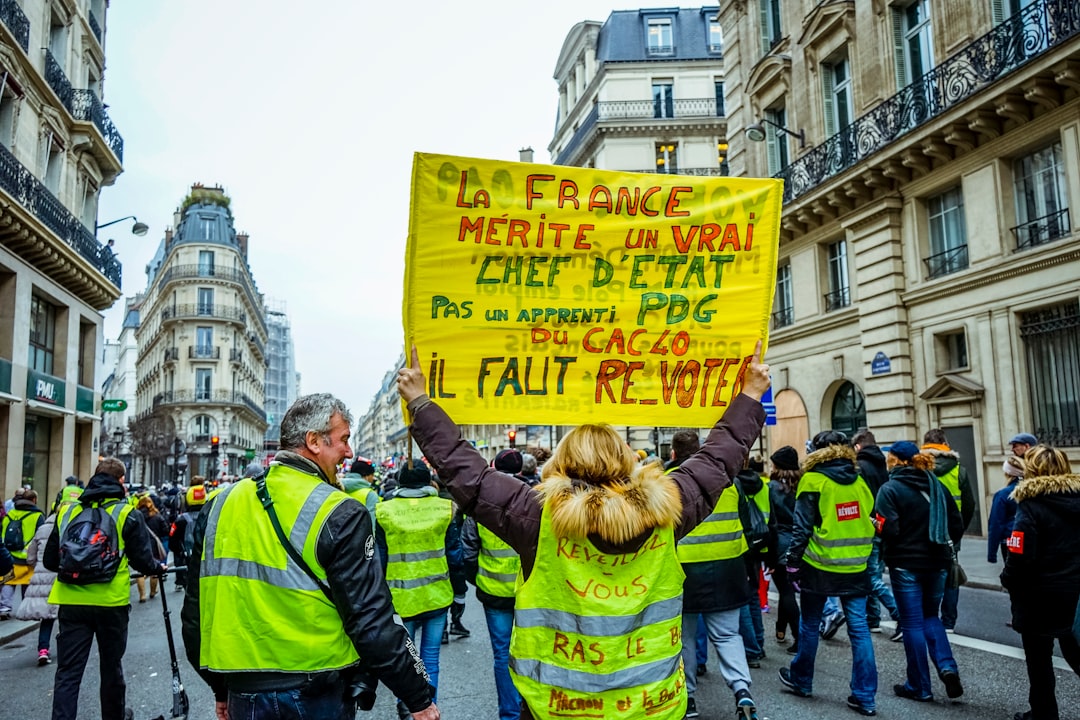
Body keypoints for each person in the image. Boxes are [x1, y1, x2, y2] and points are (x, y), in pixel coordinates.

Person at [396, 342, 770, 720]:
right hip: (651, 707)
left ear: (564, 462)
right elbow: (718, 459)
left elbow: (470, 475)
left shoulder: (537, 517)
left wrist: (421, 403)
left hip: (556, 709)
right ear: (626, 459)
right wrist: (751, 394)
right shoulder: (670, 508)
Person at [181, 393, 438, 720]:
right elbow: (371, 620)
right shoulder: (339, 510)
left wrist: (220, 688)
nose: (349, 451)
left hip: (242, 690)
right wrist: (418, 697)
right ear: (314, 441)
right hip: (315, 690)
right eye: (343, 440)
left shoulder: (219, 503)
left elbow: (195, 613)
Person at [44, 457, 165, 720]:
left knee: (68, 672)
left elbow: (50, 560)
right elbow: (143, 560)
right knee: (111, 668)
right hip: (111, 602)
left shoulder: (67, 511)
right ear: (121, 481)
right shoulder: (125, 513)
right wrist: (158, 568)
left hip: (71, 603)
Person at [778, 430, 878, 717]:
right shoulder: (858, 480)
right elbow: (869, 515)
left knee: (810, 625)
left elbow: (802, 527)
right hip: (856, 565)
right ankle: (865, 696)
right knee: (860, 630)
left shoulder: (813, 480)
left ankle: (802, 680)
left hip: (820, 565)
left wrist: (793, 563)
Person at [673, 431, 760, 720]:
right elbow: (747, 530)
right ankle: (742, 691)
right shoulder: (728, 482)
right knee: (727, 635)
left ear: (674, 454)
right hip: (727, 570)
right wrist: (751, 573)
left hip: (682, 574)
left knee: (682, 639)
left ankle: (689, 698)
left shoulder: (667, 484)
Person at [872, 441, 964, 702]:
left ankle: (919, 686)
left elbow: (889, 529)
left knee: (912, 623)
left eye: (890, 457)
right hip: (938, 563)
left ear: (898, 461)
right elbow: (955, 525)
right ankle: (947, 668)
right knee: (931, 617)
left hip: (906, 564)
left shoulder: (890, 490)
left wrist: (877, 526)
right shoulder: (938, 487)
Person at [376, 462, 462, 719]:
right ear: (428, 483)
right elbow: (455, 556)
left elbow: (379, 561)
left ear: (400, 483)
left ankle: (408, 708)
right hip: (436, 595)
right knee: (430, 659)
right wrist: (460, 594)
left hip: (400, 599)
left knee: (405, 662)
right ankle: (429, 707)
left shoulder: (384, 511)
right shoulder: (445, 509)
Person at [1001, 445, 1080, 720]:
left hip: (1039, 595)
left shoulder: (1030, 505)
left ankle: (1044, 713)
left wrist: (1007, 579)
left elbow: (1020, 554)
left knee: (1039, 660)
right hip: (1076, 593)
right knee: (1076, 651)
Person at [462, 471, 526, 720]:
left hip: (493, 591)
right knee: (531, 652)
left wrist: (476, 580)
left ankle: (509, 714)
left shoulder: (480, 509)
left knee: (502, 654)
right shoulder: (536, 503)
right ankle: (528, 709)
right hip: (527, 592)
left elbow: (468, 551)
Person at [921, 429, 975, 633]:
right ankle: (949, 621)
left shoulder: (919, 467)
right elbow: (969, 503)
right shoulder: (958, 469)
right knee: (951, 573)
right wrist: (959, 529)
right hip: (952, 532)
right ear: (945, 443)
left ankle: (929, 616)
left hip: (924, 530)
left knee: (926, 573)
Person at [851, 430, 901, 637]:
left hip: (868, 525)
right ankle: (873, 619)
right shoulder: (884, 464)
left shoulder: (860, 467)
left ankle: (899, 615)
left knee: (870, 577)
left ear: (858, 447)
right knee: (874, 573)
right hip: (883, 524)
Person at [13, 508, 59, 665]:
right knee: (67, 615)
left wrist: (37, 564)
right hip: (61, 576)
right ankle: (65, 646)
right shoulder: (68, 526)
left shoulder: (42, 529)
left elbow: (30, 557)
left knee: (46, 617)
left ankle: (43, 649)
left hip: (42, 574)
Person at [767, 446, 802, 656]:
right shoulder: (802, 485)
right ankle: (781, 628)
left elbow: (770, 519)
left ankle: (799, 637)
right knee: (786, 589)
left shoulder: (771, 488)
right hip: (799, 540)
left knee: (786, 590)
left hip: (780, 541)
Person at [1, 488, 45, 618]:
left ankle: (4, 608)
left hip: (10, 555)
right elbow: (40, 536)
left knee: (8, 582)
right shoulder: (37, 516)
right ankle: (25, 608)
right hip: (28, 556)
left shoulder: (10, 514)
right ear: (34, 500)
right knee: (28, 583)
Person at [988, 456, 1025, 564]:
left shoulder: (1003, 494)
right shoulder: (1032, 490)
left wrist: (992, 553)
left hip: (1011, 539)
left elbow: (996, 523)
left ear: (1008, 473)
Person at [135, 497, 169, 603]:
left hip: (140, 545)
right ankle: (153, 591)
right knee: (155, 569)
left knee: (140, 571)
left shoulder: (136, 516)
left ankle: (142, 595)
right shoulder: (157, 517)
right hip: (154, 546)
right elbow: (165, 531)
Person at [342, 457, 381, 530]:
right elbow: (371, 525)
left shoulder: (337, 487)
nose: (373, 478)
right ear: (366, 476)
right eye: (372, 475)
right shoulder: (370, 495)